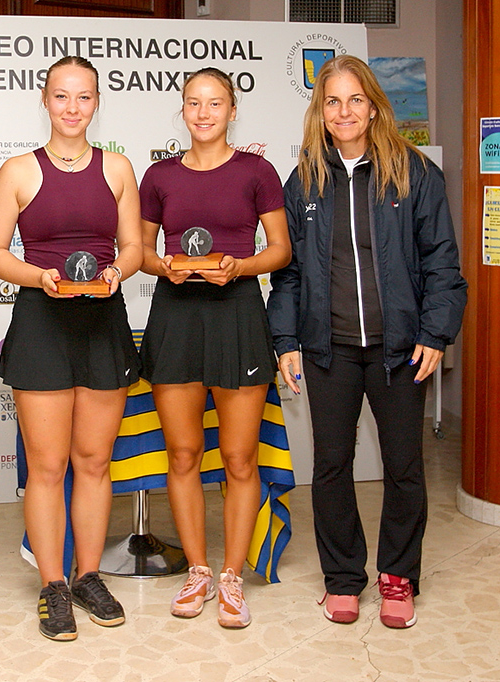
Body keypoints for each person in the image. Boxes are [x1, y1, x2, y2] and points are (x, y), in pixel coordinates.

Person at [267, 55, 467, 629]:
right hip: (328, 348)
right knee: (331, 465)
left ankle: (398, 574)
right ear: (319, 110)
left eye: (355, 99)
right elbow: (289, 275)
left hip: (400, 350)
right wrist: (286, 339)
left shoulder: (415, 173)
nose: (344, 111)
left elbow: (442, 265)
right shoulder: (302, 180)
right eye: (333, 101)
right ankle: (343, 577)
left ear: (374, 104)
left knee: (404, 467)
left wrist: (436, 332)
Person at [0, 56, 143, 642]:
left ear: (97, 104)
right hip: (42, 322)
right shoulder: (19, 171)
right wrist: (37, 276)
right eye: (61, 96)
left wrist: (118, 272)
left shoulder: (119, 168)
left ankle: (90, 575)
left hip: (104, 323)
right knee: (47, 468)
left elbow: (133, 247)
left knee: (94, 463)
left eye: (84, 97)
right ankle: (53, 584)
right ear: (45, 101)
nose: (72, 108)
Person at [138, 67, 291, 629]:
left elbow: (279, 249)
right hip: (175, 317)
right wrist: (166, 268)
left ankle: (230, 577)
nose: (203, 113)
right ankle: (197, 570)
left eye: (215, 103)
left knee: (238, 458)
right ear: (182, 111)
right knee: (182, 455)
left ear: (232, 111)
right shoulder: (158, 175)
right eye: (193, 103)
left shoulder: (258, 171)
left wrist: (242, 266)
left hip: (239, 316)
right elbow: (140, 251)